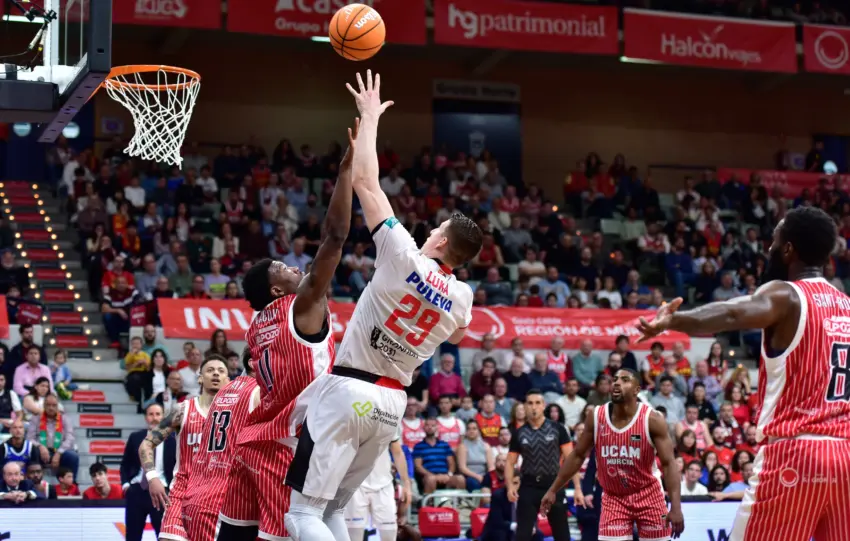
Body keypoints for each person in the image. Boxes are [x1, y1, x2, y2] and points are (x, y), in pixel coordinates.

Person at [283, 71, 482, 541]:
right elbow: (455, 335)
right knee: (332, 509)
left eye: (436, 228)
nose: (430, 229)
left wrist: (369, 115)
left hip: (350, 387)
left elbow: (366, 183)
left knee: (302, 515)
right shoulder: (463, 297)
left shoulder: (403, 254)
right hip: (392, 404)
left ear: (440, 239)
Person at [637, 206, 850, 541]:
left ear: (789, 248)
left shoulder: (785, 294)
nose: (768, 248)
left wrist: (674, 321)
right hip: (844, 457)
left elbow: (735, 314)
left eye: (775, 239)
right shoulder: (846, 304)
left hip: (794, 454)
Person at [218, 120, 358, 541]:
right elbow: (334, 238)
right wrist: (345, 172)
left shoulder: (256, 326)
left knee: (235, 535)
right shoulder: (303, 306)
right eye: (284, 268)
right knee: (288, 533)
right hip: (286, 443)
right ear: (278, 289)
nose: (295, 267)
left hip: (251, 439)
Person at [541, 369, 684, 540]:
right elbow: (578, 455)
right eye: (615, 379)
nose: (617, 383)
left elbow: (669, 464)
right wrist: (553, 489)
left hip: (648, 495)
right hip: (613, 497)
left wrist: (676, 507)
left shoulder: (652, 419)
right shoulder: (596, 416)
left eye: (625, 380)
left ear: (637, 390)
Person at [138, 357, 229, 541]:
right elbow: (146, 444)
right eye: (210, 370)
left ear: (228, 379)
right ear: (200, 378)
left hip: (218, 499)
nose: (216, 374)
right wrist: (152, 477)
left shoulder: (236, 413)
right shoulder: (182, 410)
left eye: (221, 371)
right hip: (181, 495)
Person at [183, 350, 259, 541]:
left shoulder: (222, 392)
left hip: (197, 494)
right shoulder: (258, 391)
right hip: (225, 501)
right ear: (253, 363)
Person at [506, 390, 583, 541]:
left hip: (554, 486)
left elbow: (570, 459)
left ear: (543, 406)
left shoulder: (558, 429)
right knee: (522, 535)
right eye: (530, 403)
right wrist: (509, 486)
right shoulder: (519, 433)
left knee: (562, 535)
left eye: (537, 403)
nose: (533, 407)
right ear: (525, 407)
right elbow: (510, 462)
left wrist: (578, 489)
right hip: (529, 486)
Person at [121, 403, 176, 541]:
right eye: (151, 414)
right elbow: (125, 464)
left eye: (158, 414)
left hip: (162, 493)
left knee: (163, 535)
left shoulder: (173, 440)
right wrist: (126, 485)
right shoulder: (135, 437)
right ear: (146, 417)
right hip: (137, 490)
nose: (154, 418)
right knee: (132, 536)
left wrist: (171, 489)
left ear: (163, 417)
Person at [344, 431, 411, 541]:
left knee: (389, 535)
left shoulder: (390, 416)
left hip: (383, 483)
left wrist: (406, 484)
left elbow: (397, 452)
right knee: (353, 537)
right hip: (354, 484)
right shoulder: (352, 417)